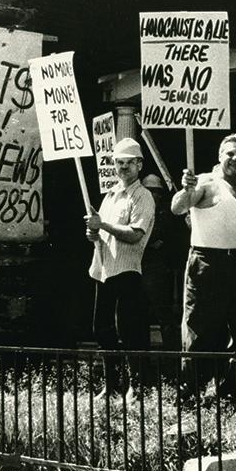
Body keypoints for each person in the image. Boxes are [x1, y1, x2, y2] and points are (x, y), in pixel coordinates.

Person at [171, 133, 236, 394]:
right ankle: (191, 389)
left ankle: (233, 390)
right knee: (198, 328)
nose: (235, 159)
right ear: (220, 155)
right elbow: (177, 208)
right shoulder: (205, 181)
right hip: (206, 261)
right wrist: (186, 189)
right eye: (230, 153)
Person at [85, 137, 155, 391]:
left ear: (139, 165)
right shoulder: (110, 196)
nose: (123, 168)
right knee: (101, 329)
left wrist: (102, 225)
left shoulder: (143, 197)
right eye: (119, 163)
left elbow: (135, 233)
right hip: (103, 268)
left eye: (129, 163)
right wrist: (94, 232)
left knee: (130, 329)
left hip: (126, 269)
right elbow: (101, 232)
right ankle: (112, 385)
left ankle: (137, 386)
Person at [140, 173, 183, 354]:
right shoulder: (137, 210)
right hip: (137, 267)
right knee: (138, 315)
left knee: (164, 315)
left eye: (157, 192)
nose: (154, 195)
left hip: (157, 270)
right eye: (150, 191)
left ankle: (171, 358)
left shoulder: (164, 214)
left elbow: (164, 238)